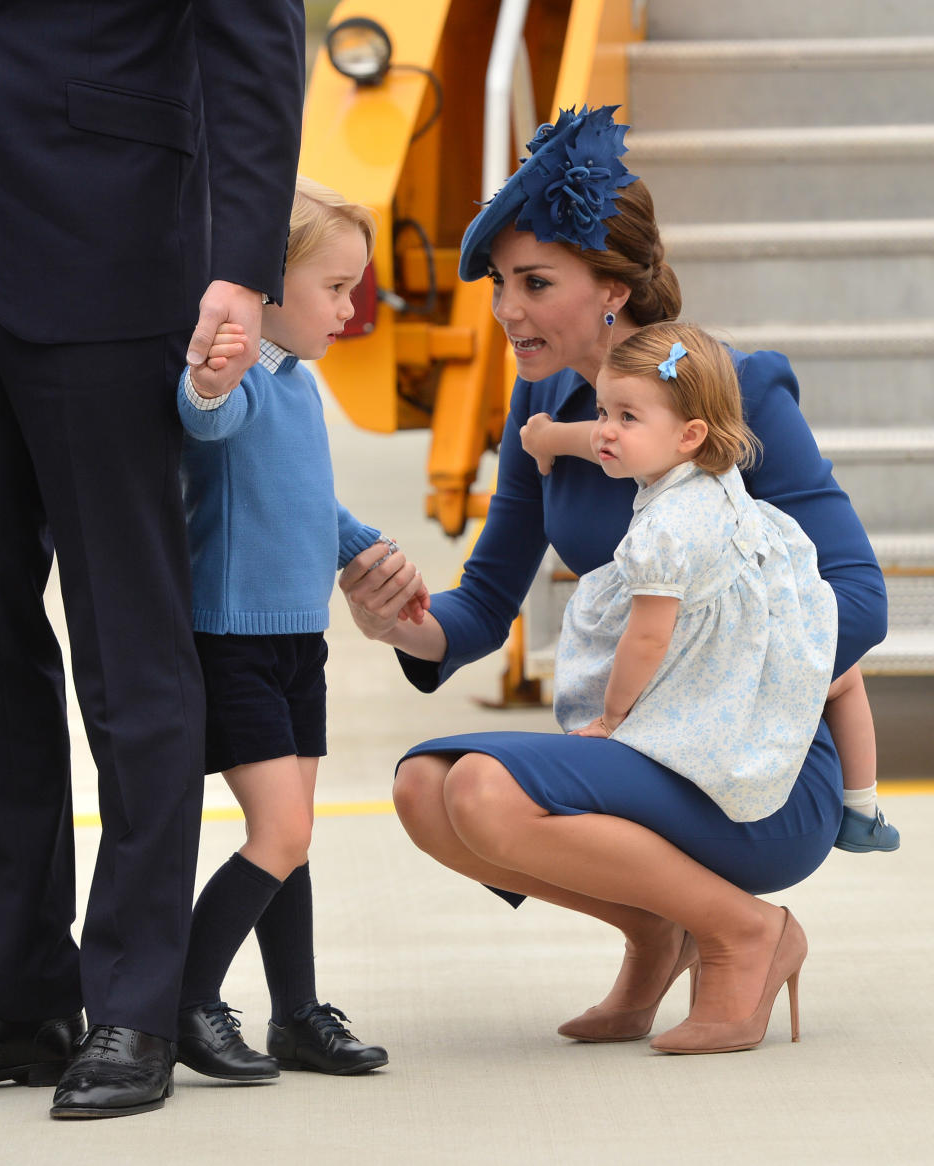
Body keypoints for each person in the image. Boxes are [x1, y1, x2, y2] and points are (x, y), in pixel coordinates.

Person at [337, 106, 888, 1054]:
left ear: (612, 289)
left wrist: (714, 682)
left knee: (484, 791)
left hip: (751, 766)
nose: (506, 310)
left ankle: (747, 933)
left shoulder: (730, 392)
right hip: (640, 748)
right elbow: (482, 603)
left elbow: (861, 596)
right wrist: (405, 625)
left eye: (534, 283)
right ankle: (653, 931)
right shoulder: (540, 405)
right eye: (503, 284)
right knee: (428, 788)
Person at [0, 1, 304, 1119]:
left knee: (128, 638)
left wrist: (245, 262)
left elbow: (255, 32)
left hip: (101, 239)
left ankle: (136, 998)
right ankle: (16, 987)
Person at [175, 177, 429, 1082]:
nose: (351, 307)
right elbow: (205, 420)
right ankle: (186, 1001)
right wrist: (211, 375)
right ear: (267, 289)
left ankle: (296, 1013)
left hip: (296, 642)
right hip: (237, 640)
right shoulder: (244, 380)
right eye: (336, 287)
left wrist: (368, 547)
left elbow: (306, 503)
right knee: (278, 834)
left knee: (295, 836)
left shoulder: (299, 388)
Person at [522, 350, 900, 855]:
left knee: (685, 701)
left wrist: (613, 717)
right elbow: (601, 444)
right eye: (602, 411)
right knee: (843, 677)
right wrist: (547, 438)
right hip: (766, 605)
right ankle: (862, 808)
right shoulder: (711, 466)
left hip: (714, 639)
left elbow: (650, 636)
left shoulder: (663, 531)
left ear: (689, 435)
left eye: (626, 417)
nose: (606, 430)